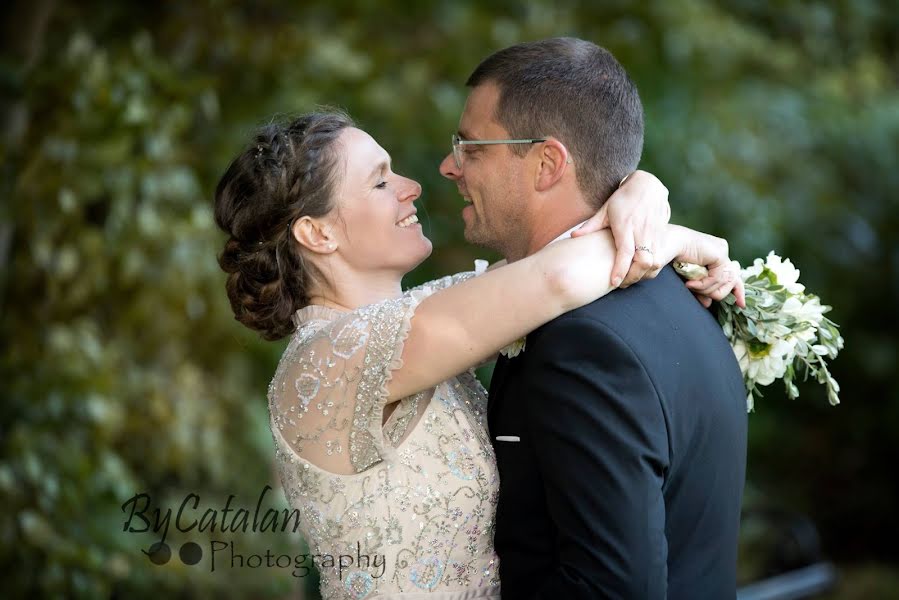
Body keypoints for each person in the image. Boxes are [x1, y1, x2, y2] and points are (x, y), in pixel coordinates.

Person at [213, 111, 741, 599]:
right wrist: (671, 236)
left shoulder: (422, 324)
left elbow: (553, 260)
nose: (411, 188)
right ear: (317, 232)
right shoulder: (326, 361)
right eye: (380, 181)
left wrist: (641, 187)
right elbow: (557, 275)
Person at [438, 37, 748, 599]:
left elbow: (611, 589)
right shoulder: (679, 297)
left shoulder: (585, 344)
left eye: (471, 148)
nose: (448, 167)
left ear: (547, 164)